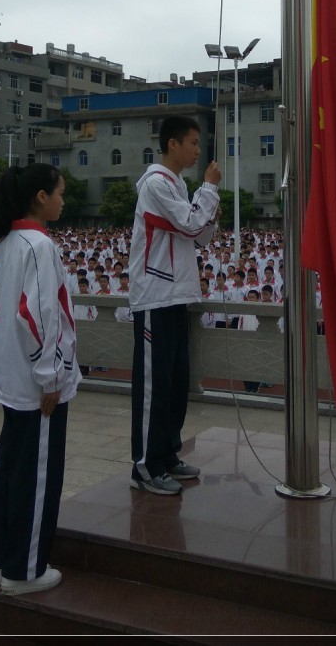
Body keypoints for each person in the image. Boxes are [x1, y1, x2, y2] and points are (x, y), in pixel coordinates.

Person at [0, 163, 79, 596]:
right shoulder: (38, 244)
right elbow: (38, 314)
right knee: (38, 475)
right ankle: (23, 570)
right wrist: (51, 376)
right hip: (34, 380)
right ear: (40, 197)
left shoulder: (7, 241)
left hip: (12, 374)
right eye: (60, 192)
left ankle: (5, 559)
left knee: (12, 469)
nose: (64, 200)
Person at [129, 115, 221, 496]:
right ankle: (144, 466)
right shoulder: (155, 185)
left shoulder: (177, 185)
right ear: (172, 145)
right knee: (153, 386)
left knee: (174, 382)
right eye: (194, 142)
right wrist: (210, 191)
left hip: (177, 294)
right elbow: (189, 224)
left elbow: (200, 236)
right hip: (155, 294)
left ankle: (167, 453)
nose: (198, 150)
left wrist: (207, 206)